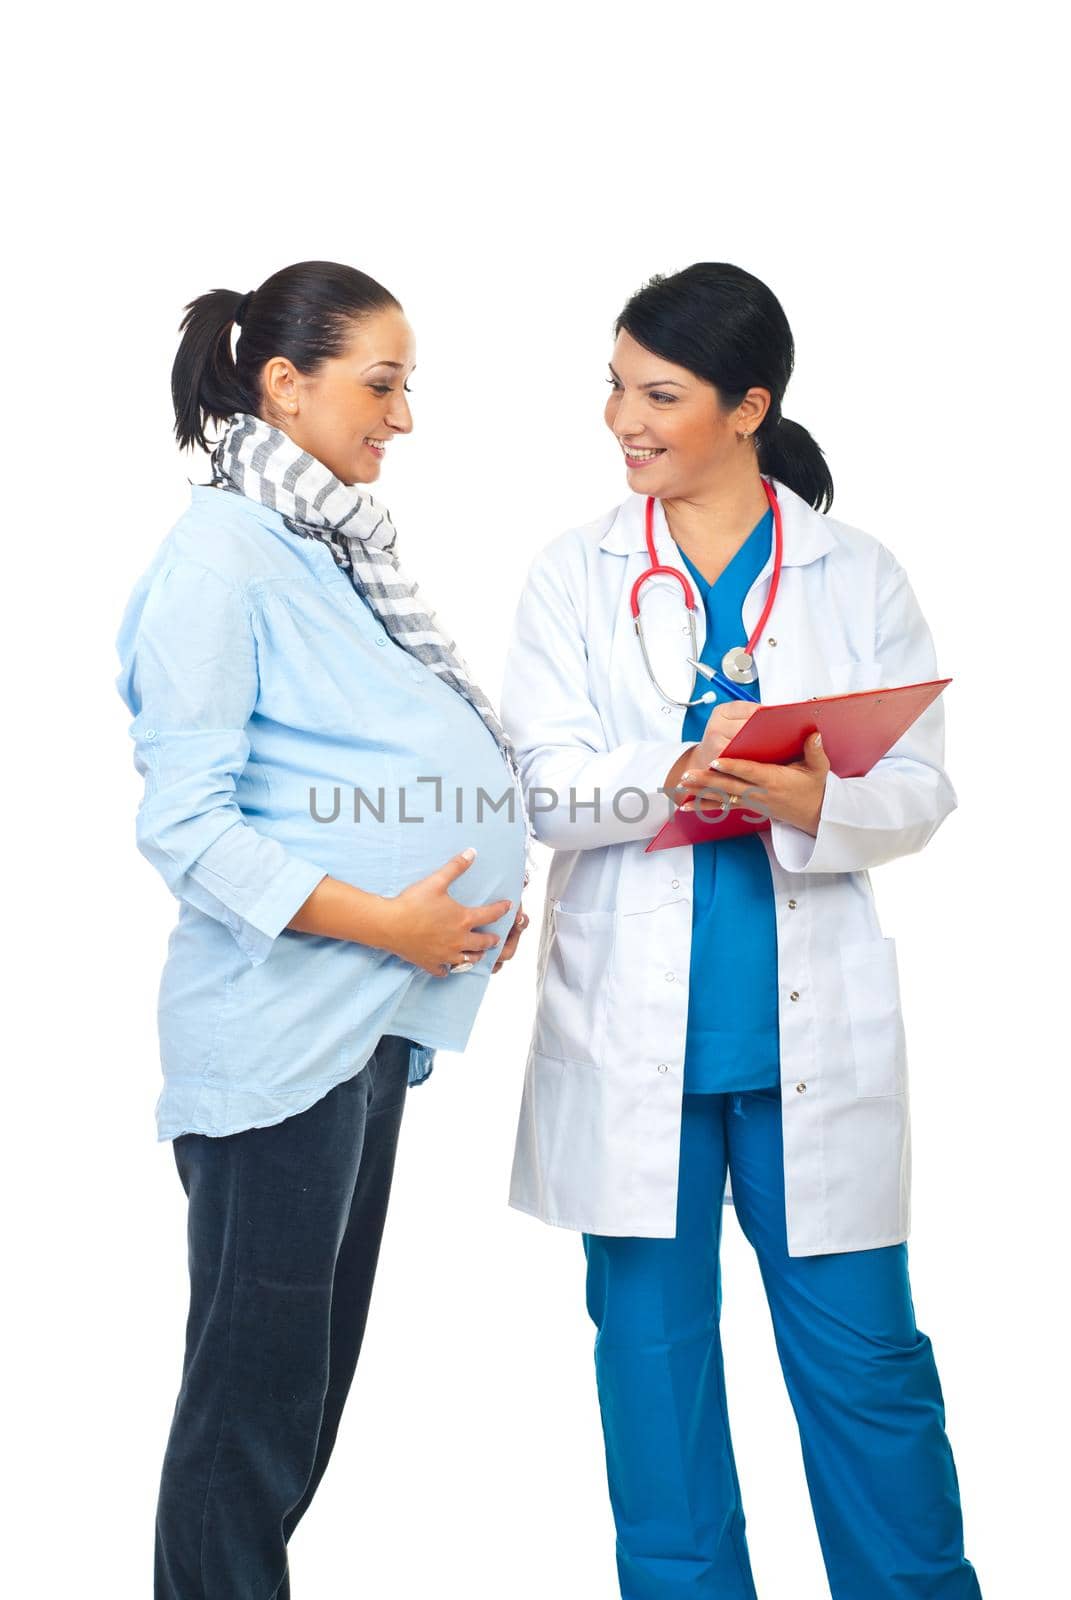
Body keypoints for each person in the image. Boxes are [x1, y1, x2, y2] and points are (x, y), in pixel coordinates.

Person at [499, 262, 982, 1598]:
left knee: (871, 1377)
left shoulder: (853, 573)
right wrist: (675, 769)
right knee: (655, 1399)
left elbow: (924, 787)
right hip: (633, 1054)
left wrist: (816, 796)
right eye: (614, 386)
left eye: (658, 394)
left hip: (808, 1052)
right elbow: (537, 780)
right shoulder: (575, 574)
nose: (622, 419)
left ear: (748, 406)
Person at [114, 259, 530, 1599]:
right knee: (249, 1411)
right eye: (382, 383)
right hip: (280, 1034)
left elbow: (371, 747)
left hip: (363, 1022)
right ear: (284, 386)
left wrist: (453, 916)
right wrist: (393, 921)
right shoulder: (218, 556)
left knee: (299, 1403)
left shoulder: (325, 545)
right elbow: (187, 822)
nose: (401, 418)